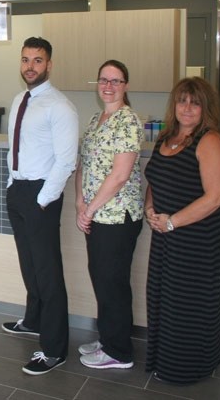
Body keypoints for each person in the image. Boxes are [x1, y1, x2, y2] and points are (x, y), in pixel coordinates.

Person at [1, 36, 78, 376]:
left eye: (37, 60)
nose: (30, 66)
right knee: (29, 266)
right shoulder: (20, 99)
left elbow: (66, 162)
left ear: (49, 64)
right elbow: (15, 147)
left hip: (40, 196)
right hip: (18, 190)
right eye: (25, 59)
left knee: (47, 274)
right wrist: (11, 183)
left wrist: (43, 199)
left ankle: (54, 349)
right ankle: (33, 321)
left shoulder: (60, 106)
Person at [144, 77, 220, 385]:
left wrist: (171, 221)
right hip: (166, 233)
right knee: (163, 298)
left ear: (205, 107)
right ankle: (162, 360)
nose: (188, 108)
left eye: (195, 103)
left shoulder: (210, 140)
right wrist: (150, 210)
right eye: (182, 101)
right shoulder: (165, 138)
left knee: (188, 303)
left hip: (197, 237)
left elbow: (215, 197)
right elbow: (155, 179)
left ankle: (185, 367)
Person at [74, 60, 144, 370]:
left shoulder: (128, 121)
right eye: (104, 79)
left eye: (116, 81)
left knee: (113, 283)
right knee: (102, 280)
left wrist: (89, 209)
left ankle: (119, 352)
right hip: (95, 216)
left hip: (117, 217)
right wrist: (79, 202)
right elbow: (84, 165)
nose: (109, 85)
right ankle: (108, 338)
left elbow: (119, 176)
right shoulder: (96, 119)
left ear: (125, 86)